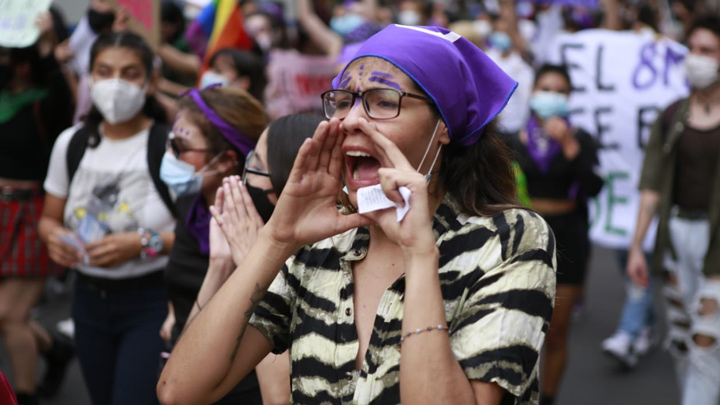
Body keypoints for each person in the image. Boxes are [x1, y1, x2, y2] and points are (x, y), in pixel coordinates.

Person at [158, 24, 556, 405]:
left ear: (443, 125)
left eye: (383, 102)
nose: (349, 121)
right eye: (343, 102)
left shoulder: (509, 240)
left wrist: (419, 255)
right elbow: (180, 391)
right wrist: (277, 238)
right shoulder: (323, 242)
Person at [38, 31, 175, 405]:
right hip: (87, 301)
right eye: (104, 70)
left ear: (150, 81)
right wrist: (55, 240)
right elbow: (48, 219)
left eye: (130, 73)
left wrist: (143, 243)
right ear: (89, 77)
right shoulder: (72, 142)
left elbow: (203, 236)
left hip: (152, 301)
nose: (116, 83)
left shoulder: (170, 147)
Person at [163, 113, 324, 404]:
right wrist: (220, 265)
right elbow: (179, 379)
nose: (244, 175)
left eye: (257, 165)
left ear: (287, 183)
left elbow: (279, 398)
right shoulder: (236, 234)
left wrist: (256, 262)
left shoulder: (315, 262)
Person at [627, 16, 720, 405]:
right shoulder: (671, 116)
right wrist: (636, 247)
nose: (696, 58)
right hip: (677, 237)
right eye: (692, 49)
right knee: (683, 342)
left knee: (706, 339)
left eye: (707, 51)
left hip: (716, 245)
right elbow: (651, 188)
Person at [504, 64, 603, 405]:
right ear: (533, 93)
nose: (552, 96)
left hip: (568, 236)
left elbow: (594, 187)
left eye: (560, 91)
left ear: (569, 98)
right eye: (546, 88)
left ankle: (548, 398)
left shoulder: (582, 139)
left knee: (557, 332)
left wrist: (570, 146)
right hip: (524, 237)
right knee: (517, 329)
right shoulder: (512, 140)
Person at [0, 11, 74, 405]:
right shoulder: (4, 95)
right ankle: (55, 349)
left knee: (9, 316)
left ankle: (23, 396)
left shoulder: (47, 100)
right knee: (13, 317)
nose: (18, 64)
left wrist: (47, 45)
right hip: (1, 211)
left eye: (25, 55)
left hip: (31, 213)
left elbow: (64, 104)